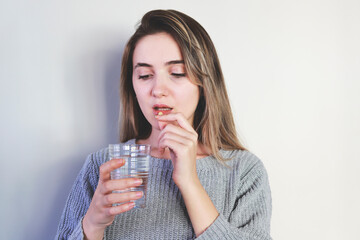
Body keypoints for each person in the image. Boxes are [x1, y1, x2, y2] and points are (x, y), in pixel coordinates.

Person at [55, 9, 272, 240]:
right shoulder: (103, 166)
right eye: (145, 75)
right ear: (133, 86)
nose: (158, 90)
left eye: (177, 73)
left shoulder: (243, 171)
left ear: (204, 83)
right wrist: (92, 225)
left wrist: (189, 182)